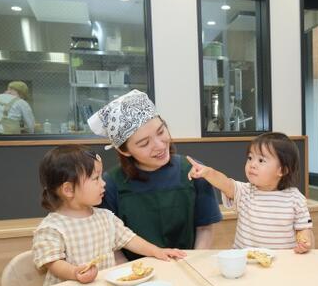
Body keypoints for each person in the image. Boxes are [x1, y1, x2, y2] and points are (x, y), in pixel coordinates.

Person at [87, 90, 222, 260]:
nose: (159, 145)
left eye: (160, 132)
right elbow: (111, 244)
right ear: (124, 150)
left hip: (187, 266)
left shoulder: (193, 170)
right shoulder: (110, 184)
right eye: (144, 143)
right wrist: (131, 276)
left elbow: (205, 228)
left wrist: (194, 263)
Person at [32, 145, 186, 286]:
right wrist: (74, 273)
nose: (103, 183)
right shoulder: (52, 228)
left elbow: (129, 239)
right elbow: (52, 262)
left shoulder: (105, 217)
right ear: (68, 189)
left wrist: (157, 251)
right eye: (95, 178)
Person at [186, 132, 314, 253]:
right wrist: (208, 172)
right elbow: (225, 183)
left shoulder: (295, 198)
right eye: (250, 158)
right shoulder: (245, 192)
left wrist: (304, 241)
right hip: (245, 261)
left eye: (261, 160)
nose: (252, 164)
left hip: (281, 263)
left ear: (282, 170)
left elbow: (303, 229)